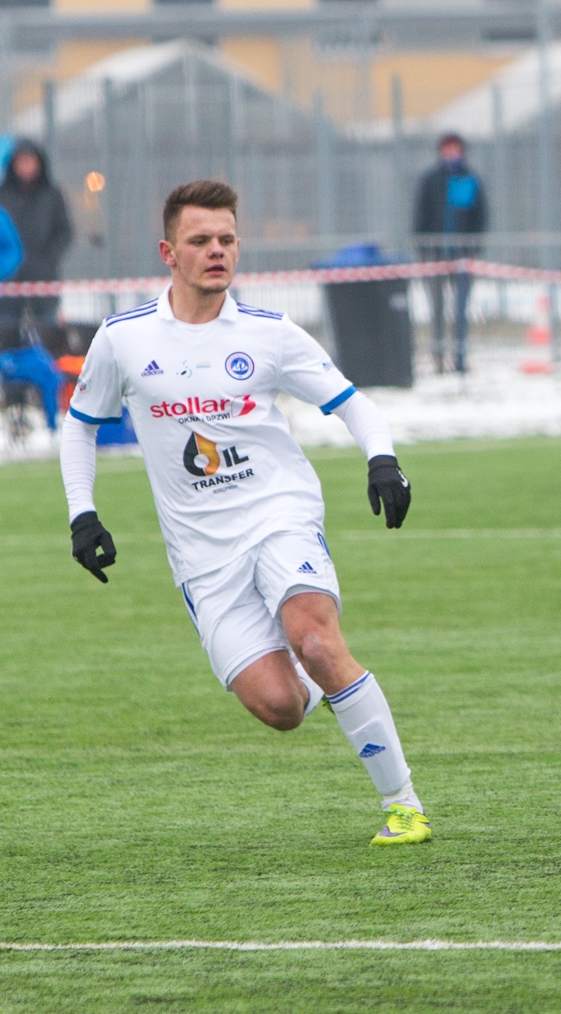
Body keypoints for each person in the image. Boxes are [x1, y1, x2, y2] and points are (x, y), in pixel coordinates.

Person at [60, 180, 432, 847]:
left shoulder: (269, 333)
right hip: (202, 554)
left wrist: (382, 460)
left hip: (278, 513)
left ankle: (403, 805)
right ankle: (324, 685)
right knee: (280, 706)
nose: (217, 251)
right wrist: (82, 515)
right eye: (201, 240)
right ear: (168, 252)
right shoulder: (123, 338)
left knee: (314, 638)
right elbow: (80, 426)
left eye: (227, 239)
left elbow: (352, 402)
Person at [413, 132, 487, 375]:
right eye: (448, 148)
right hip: (434, 256)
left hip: (463, 256)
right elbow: (420, 217)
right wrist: (424, 250)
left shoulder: (470, 180)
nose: (452, 153)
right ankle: (438, 359)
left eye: (456, 149)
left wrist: (473, 249)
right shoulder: (430, 180)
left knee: (460, 311)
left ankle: (460, 358)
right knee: (436, 308)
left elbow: (480, 217)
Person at [0, 137, 74, 331]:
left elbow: (64, 231)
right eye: (21, 160)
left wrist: (48, 259)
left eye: (30, 160)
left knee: (46, 330)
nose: (25, 166)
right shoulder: (3, 194)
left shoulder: (52, 194)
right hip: (8, 280)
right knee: (7, 331)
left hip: (43, 277)